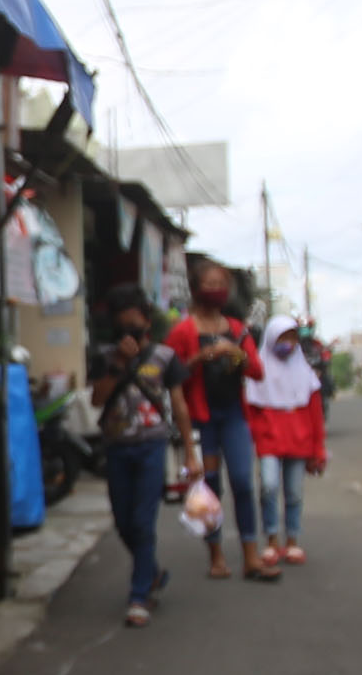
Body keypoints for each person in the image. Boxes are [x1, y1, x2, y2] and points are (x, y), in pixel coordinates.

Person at [88, 285, 186, 628]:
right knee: (123, 522)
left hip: (152, 444)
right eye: (122, 326)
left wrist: (190, 451)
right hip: (117, 446)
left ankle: (139, 594)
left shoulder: (165, 357)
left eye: (135, 325)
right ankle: (152, 572)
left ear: (146, 321)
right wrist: (119, 365)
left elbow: (179, 404)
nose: (129, 333)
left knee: (144, 522)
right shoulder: (104, 356)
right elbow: (98, 400)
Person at [168, 264, 263, 578]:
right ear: (197, 288)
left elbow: (257, 371)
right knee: (209, 486)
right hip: (201, 418)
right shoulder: (182, 332)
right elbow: (169, 377)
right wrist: (199, 358)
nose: (216, 288)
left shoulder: (238, 329)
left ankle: (251, 554)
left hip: (234, 414)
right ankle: (216, 554)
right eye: (210, 283)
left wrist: (238, 355)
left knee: (242, 482)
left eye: (221, 283)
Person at [241, 312, 326, 573]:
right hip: (269, 441)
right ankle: (271, 539)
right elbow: (250, 411)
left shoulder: (306, 374)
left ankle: (292, 540)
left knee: (294, 493)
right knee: (268, 486)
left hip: (299, 441)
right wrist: (255, 437)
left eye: (292, 338)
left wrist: (318, 449)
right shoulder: (258, 373)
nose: (288, 343)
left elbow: (315, 415)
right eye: (282, 338)